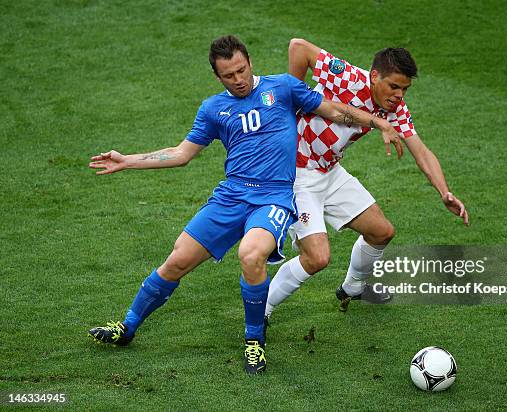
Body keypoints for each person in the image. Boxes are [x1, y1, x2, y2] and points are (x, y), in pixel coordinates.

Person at [87, 35, 405, 374]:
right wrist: (127, 160)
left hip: (274, 198)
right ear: (217, 76)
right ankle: (127, 327)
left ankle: (255, 341)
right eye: (229, 76)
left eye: (241, 70)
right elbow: (181, 154)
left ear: (250, 62)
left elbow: (335, 111)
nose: (238, 80)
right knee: (176, 261)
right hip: (231, 196)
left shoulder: (283, 88)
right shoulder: (213, 109)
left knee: (251, 255)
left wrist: (379, 122)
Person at [265, 39, 469, 320]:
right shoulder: (347, 77)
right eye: (394, 87)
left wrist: (444, 192)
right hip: (295, 173)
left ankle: (353, 287)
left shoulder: (394, 109)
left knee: (381, 232)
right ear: (375, 77)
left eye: (404, 89)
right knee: (317, 258)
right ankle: (260, 311)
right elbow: (297, 47)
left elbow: (420, 151)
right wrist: (291, 98)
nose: (399, 95)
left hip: (329, 172)